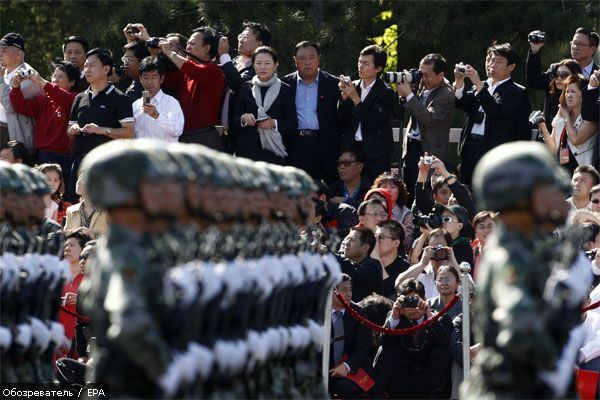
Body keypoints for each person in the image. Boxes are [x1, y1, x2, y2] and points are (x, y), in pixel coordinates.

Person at [464, 141, 592, 398]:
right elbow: (520, 331)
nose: (561, 194)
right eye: (548, 188)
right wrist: (562, 296)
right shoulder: (509, 257)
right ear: (520, 196)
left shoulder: (533, 247)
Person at [454, 42, 531, 186]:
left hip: (496, 151)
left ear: (511, 66)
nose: (491, 65)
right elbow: (462, 103)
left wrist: (478, 84)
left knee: (489, 192)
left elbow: (496, 111)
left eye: (498, 62)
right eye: (489, 60)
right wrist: (459, 82)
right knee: (466, 190)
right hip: (471, 146)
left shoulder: (516, 91)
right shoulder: (482, 85)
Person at [67, 48, 134, 202]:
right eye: (85, 66)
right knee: (73, 207)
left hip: (106, 164)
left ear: (106, 69)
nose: (86, 70)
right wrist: (73, 130)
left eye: (91, 66)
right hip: (80, 162)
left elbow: (129, 132)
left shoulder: (120, 98)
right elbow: (69, 130)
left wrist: (102, 130)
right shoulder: (79, 98)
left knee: (103, 211)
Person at [372, 278, 452, 398]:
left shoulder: (439, 318)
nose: (412, 306)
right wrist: (395, 317)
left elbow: (444, 343)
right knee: (385, 350)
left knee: (441, 352)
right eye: (407, 301)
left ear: (425, 300)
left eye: (415, 300)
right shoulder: (395, 317)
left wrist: (429, 316)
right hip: (402, 378)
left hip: (428, 379)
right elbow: (382, 342)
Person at [282, 41, 342, 183]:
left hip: (325, 144)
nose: (307, 62)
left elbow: (342, 117)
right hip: (294, 143)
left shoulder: (334, 84)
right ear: (295, 61)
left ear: (319, 58)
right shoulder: (285, 84)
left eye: (311, 57)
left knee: (326, 190)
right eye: (302, 59)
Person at [9, 61, 78, 184]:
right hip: (42, 154)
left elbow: (62, 97)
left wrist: (41, 81)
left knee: (62, 193)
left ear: (72, 82)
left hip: (64, 156)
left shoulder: (75, 99)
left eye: (60, 77)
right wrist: (15, 87)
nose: (55, 79)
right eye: (54, 76)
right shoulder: (44, 99)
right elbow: (21, 107)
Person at [398, 53, 455, 199]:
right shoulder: (421, 85)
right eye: (420, 73)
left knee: (424, 194)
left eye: (427, 75)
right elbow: (411, 108)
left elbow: (429, 119)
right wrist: (405, 93)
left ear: (441, 74)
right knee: (407, 191)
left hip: (428, 150)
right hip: (410, 146)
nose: (423, 79)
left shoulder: (446, 93)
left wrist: (409, 95)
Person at [158, 26, 225, 149]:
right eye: (187, 43)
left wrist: (169, 52)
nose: (187, 47)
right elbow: (162, 80)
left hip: (203, 138)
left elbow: (192, 69)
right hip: (182, 135)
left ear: (206, 48)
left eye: (192, 44)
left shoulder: (213, 71)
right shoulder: (186, 72)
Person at [338, 45, 397, 181]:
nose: (360, 66)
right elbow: (341, 117)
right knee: (351, 187)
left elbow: (372, 122)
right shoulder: (354, 85)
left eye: (366, 63)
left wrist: (355, 98)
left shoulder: (386, 92)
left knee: (375, 189)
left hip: (375, 151)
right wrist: (344, 97)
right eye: (360, 62)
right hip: (352, 148)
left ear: (378, 68)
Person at [234, 46, 296, 164]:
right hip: (247, 152)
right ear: (253, 64)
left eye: (267, 63)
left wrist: (274, 123)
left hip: (274, 154)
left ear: (276, 65)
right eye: (258, 63)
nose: (262, 67)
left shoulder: (285, 89)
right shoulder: (246, 87)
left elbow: (293, 123)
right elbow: (236, 119)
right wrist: (243, 118)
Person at [219, 21, 271, 153]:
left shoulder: (259, 67)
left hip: (243, 131)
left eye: (246, 37)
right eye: (240, 36)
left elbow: (239, 86)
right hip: (224, 130)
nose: (241, 40)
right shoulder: (235, 61)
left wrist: (224, 55)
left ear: (260, 43)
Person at [537, 74, 598, 173]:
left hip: (583, 171)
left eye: (573, 92)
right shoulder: (562, 113)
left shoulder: (591, 116)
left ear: (583, 95)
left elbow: (575, 139)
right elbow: (553, 148)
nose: (568, 95)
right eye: (566, 91)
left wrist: (566, 118)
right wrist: (542, 123)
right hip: (562, 169)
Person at [526, 33, 583, 132]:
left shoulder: (583, 96)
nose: (559, 78)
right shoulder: (552, 86)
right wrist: (535, 50)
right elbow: (533, 80)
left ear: (575, 77)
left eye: (564, 75)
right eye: (556, 74)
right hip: (548, 138)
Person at [328, 274, 372, 399]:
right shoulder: (317, 312)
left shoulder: (358, 312)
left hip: (350, 367)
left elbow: (363, 347)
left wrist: (347, 366)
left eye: (350, 289)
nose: (349, 294)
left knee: (347, 388)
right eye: (344, 290)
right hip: (322, 369)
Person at [0, 32, 43, 157]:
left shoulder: (28, 75)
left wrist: (1, 81)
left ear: (19, 54)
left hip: (17, 137)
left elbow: (11, 105)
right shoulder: (5, 71)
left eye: (4, 50)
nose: (0, 53)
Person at [56, 228, 92, 360]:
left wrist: (81, 300)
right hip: (57, 344)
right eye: (65, 245)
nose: (67, 248)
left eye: (72, 245)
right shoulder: (57, 276)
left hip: (81, 347)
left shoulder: (91, 279)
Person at [132, 57, 184, 142]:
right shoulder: (135, 105)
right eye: (146, 77)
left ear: (162, 79)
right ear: (140, 79)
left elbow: (177, 130)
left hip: (166, 154)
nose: (149, 82)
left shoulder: (171, 102)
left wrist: (157, 115)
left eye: (153, 77)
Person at [402, 227, 460, 299]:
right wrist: (422, 263)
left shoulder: (459, 271)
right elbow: (399, 285)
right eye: (433, 248)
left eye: (441, 247)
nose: (437, 251)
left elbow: (471, 291)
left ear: (450, 248)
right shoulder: (419, 271)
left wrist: (454, 263)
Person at [413, 154, 477, 219]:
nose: (450, 197)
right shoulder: (436, 217)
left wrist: (444, 172)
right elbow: (421, 198)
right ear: (434, 197)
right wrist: (423, 172)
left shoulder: (468, 218)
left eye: (454, 194)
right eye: (443, 192)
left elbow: (464, 198)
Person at [337, 226, 383, 302]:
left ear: (365, 248)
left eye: (352, 240)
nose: (346, 243)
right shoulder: (343, 263)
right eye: (347, 239)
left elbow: (353, 269)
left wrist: (329, 254)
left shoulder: (373, 266)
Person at [372, 172, 414, 253]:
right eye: (384, 187)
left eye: (392, 187)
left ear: (399, 192)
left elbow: (407, 241)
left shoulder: (406, 213)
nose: (388, 190)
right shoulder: (370, 209)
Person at [64, 172, 108, 238]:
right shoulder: (71, 210)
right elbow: (65, 236)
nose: (78, 182)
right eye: (79, 178)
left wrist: (94, 235)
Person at [374, 220, 410, 301]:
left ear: (396, 243)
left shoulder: (406, 270)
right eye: (374, 236)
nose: (375, 241)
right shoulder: (367, 263)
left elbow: (390, 294)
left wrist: (377, 259)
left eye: (380, 237)